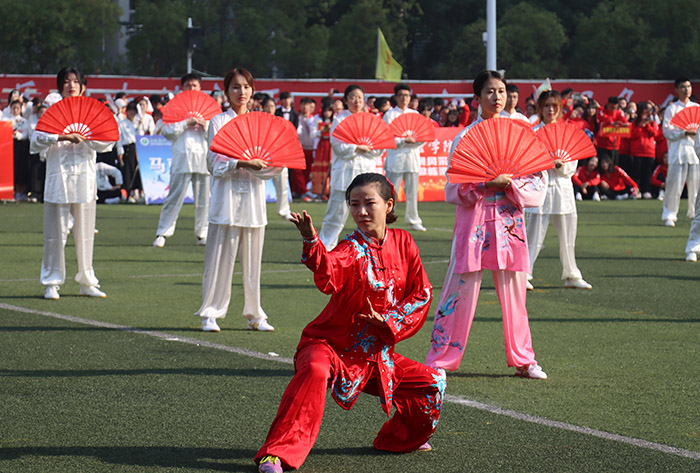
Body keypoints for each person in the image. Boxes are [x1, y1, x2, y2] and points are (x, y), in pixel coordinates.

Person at [255, 173, 442, 473]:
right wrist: (311, 241)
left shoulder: (404, 242)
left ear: (388, 205)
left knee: (431, 384)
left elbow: (422, 293)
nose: (361, 212)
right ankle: (276, 454)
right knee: (315, 369)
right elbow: (329, 270)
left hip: (374, 356)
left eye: (369, 203)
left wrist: (388, 321)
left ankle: (400, 438)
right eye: (354, 204)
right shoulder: (351, 248)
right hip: (329, 345)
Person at [425, 70, 548, 380]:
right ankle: (440, 358)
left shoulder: (521, 133)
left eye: (501, 91)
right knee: (459, 290)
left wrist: (511, 185)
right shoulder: (465, 138)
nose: (497, 97)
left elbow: (537, 181)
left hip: (508, 223)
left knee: (515, 293)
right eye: (490, 91)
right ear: (477, 98)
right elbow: (452, 188)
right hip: (474, 222)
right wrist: (485, 183)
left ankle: (524, 359)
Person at [194, 67, 280, 333]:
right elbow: (213, 163)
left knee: (253, 262)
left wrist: (260, 166)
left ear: (252, 90)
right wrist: (241, 162)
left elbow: (275, 164)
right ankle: (211, 312)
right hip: (226, 199)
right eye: (235, 86)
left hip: (253, 199)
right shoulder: (218, 122)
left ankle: (255, 314)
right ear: (226, 91)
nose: (241, 92)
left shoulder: (261, 122)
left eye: (245, 86)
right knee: (219, 258)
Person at [30, 66, 115, 300]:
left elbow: (108, 142)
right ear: (60, 86)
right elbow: (35, 141)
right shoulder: (52, 109)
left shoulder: (92, 111)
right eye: (67, 81)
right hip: (59, 177)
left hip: (85, 178)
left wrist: (90, 138)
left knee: (86, 232)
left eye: (76, 81)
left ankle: (87, 281)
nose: (72, 85)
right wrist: (62, 136)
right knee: (55, 232)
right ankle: (51, 282)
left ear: (82, 86)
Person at [524, 90, 592, 291]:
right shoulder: (533, 133)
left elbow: (571, 166)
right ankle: (523, 274)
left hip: (563, 188)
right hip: (540, 188)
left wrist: (561, 165)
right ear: (540, 108)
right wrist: (546, 163)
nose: (550, 110)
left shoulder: (567, 132)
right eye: (546, 106)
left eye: (554, 106)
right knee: (533, 234)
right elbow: (527, 163)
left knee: (568, 236)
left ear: (560, 108)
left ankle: (571, 274)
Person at [318, 85, 384, 250]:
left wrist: (367, 149)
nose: (357, 101)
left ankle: (370, 247)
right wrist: (356, 148)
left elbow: (379, 147)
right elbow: (337, 146)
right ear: (346, 100)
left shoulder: (371, 120)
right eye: (353, 98)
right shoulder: (339, 119)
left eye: (360, 98)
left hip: (366, 171)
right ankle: (325, 248)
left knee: (368, 212)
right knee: (336, 213)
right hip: (345, 172)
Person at [153, 73, 211, 248]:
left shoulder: (208, 107)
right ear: (182, 87)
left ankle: (203, 233)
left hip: (203, 158)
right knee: (174, 197)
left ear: (200, 88)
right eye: (188, 85)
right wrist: (185, 123)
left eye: (195, 85)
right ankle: (162, 233)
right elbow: (166, 132)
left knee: (204, 199)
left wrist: (205, 126)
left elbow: (216, 135)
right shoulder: (174, 107)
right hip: (182, 157)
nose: (191, 88)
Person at [383, 83, 427, 232]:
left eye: (407, 95)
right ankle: (385, 219)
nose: (404, 98)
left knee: (412, 192)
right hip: (395, 158)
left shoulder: (415, 115)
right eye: (401, 95)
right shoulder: (389, 115)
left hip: (412, 158)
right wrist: (402, 140)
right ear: (396, 97)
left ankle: (413, 219)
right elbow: (387, 138)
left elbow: (423, 137)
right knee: (390, 192)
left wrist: (414, 142)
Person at [661, 77, 699, 227]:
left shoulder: (696, 108)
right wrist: (684, 132)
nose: (686, 89)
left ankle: (695, 214)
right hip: (677, 152)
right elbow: (667, 131)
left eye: (688, 86)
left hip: (695, 153)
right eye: (683, 87)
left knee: (696, 187)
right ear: (676, 90)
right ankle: (669, 215)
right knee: (674, 186)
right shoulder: (671, 109)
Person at [262, 96, 292, 220]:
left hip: (279, 158)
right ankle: (259, 210)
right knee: (260, 185)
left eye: (272, 106)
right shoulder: (259, 123)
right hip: (263, 158)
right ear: (262, 108)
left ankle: (284, 210)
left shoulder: (281, 122)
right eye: (267, 106)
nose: (270, 109)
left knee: (282, 184)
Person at [628, 102, 660, 199]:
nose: (645, 115)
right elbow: (632, 135)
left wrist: (647, 125)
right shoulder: (634, 123)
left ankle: (646, 190)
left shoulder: (652, 123)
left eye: (647, 112)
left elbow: (655, 134)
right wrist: (640, 126)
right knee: (636, 173)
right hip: (637, 152)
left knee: (647, 173)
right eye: (644, 113)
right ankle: (636, 191)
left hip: (649, 152)